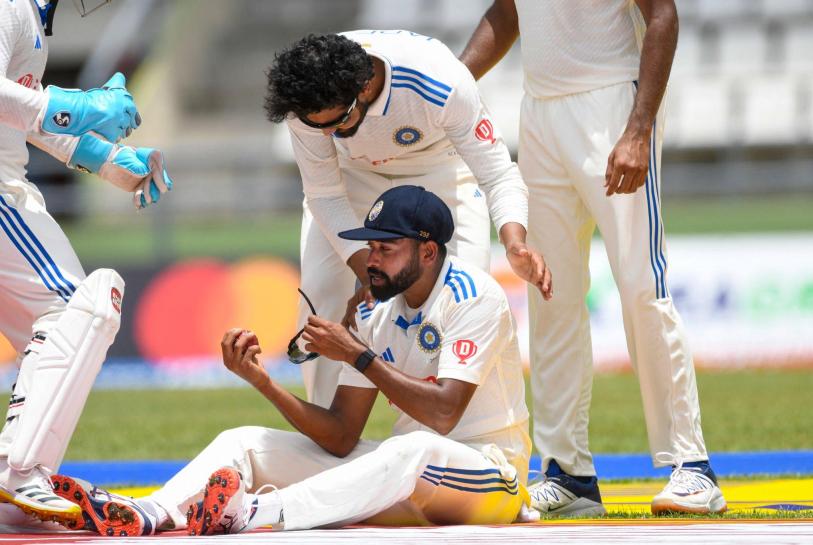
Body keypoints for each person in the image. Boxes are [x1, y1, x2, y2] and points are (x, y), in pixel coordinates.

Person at [49, 186, 537, 536]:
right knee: (243, 441)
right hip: (402, 487)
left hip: (489, 481)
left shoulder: (474, 297)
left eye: (385, 249)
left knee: (409, 448)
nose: (371, 260)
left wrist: (358, 355)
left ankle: (254, 513)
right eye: (369, 246)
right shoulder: (376, 311)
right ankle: (149, 514)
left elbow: (445, 413)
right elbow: (342, 435)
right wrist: (262, 382)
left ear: (427, 251)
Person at [459, 0, 726, 516]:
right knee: (549, 292)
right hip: (538, 110)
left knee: (640, 284)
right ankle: (568, 474)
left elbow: (663, 15)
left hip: (612, 104)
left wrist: (638, 128)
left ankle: (693, 467)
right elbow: (510, 11)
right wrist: (451, 80)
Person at [263, 31, 551, 409]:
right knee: (321, 295)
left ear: (365, 87)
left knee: (464, 294)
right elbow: (325, 196)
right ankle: (327, 437)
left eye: (339, 121)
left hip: (438, 163)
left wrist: (514, 242)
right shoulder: (309, 103)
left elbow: (498, 173)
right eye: (320, 127)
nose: (329, 133)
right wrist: (372, 276)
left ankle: (452, 441)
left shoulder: (440, 82)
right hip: (351, 173)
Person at [0, 0, 173, 526]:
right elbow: (32, 107)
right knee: (76, 307)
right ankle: (19, 474)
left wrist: (109, 159)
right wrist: (77, 105)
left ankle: (20, 484)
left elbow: (21, 114)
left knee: (67, 318)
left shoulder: (30, 19)